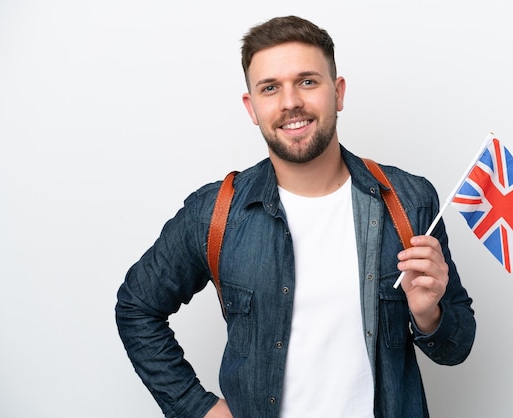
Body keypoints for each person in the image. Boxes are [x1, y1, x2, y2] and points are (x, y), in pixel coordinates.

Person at [116, 15, 476, 418]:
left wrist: (429, 315)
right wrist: (197, 408)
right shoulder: (214, 214)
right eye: (271, 88)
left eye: (307, 81)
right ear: (252, 108)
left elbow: (455, 349)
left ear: (337, 93)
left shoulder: (410, 202)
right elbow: (136, 307)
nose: (290, 102)